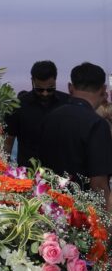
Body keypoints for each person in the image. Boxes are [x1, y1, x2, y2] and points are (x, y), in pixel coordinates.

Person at [35, 62, 112, 210]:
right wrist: (106, 225)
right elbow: (99, 184)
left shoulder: (50, 117)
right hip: (81, 214)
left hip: (48, 206)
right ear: (103, 89)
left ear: (71, 87)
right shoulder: (97, 124)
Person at [4, 60, 69, 166]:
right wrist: (2, 169)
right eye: (39, 89)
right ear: (32, 81)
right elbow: (8, 142)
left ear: (55, 80)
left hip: (62, 174)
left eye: (50, 89)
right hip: (28, 174)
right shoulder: (17, 106)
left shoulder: (67, 102)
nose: (45, 93)